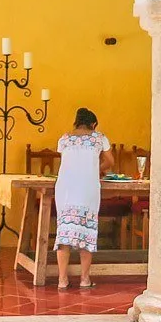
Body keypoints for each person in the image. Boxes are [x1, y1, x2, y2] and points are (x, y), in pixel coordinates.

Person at [53, 107, 114, 289]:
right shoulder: (99, 138)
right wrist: (97, 168)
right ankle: (85, 279)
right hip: (87, 188)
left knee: (64, 232)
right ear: (93, 124)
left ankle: (62, 280)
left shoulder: (64, 139)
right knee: (86, 232)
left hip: (65, 188)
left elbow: (69, 161)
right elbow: (110, 162)